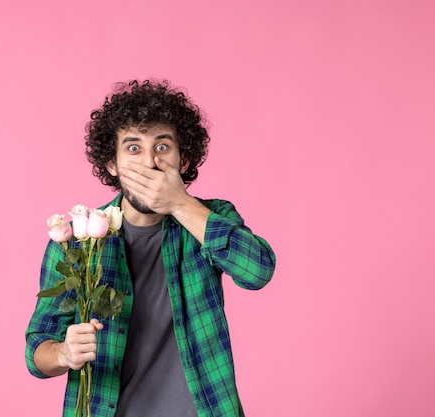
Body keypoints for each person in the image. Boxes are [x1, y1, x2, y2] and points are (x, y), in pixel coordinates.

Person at [25, 79, 276, 417]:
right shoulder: (78, 239)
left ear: (183, 160)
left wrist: (180, 204)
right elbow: (36, 350)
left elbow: (258, 271)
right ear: (111, 164)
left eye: (162, 147)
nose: (149, 162)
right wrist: (64, 354)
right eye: (133, 148)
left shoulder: (210, 219)